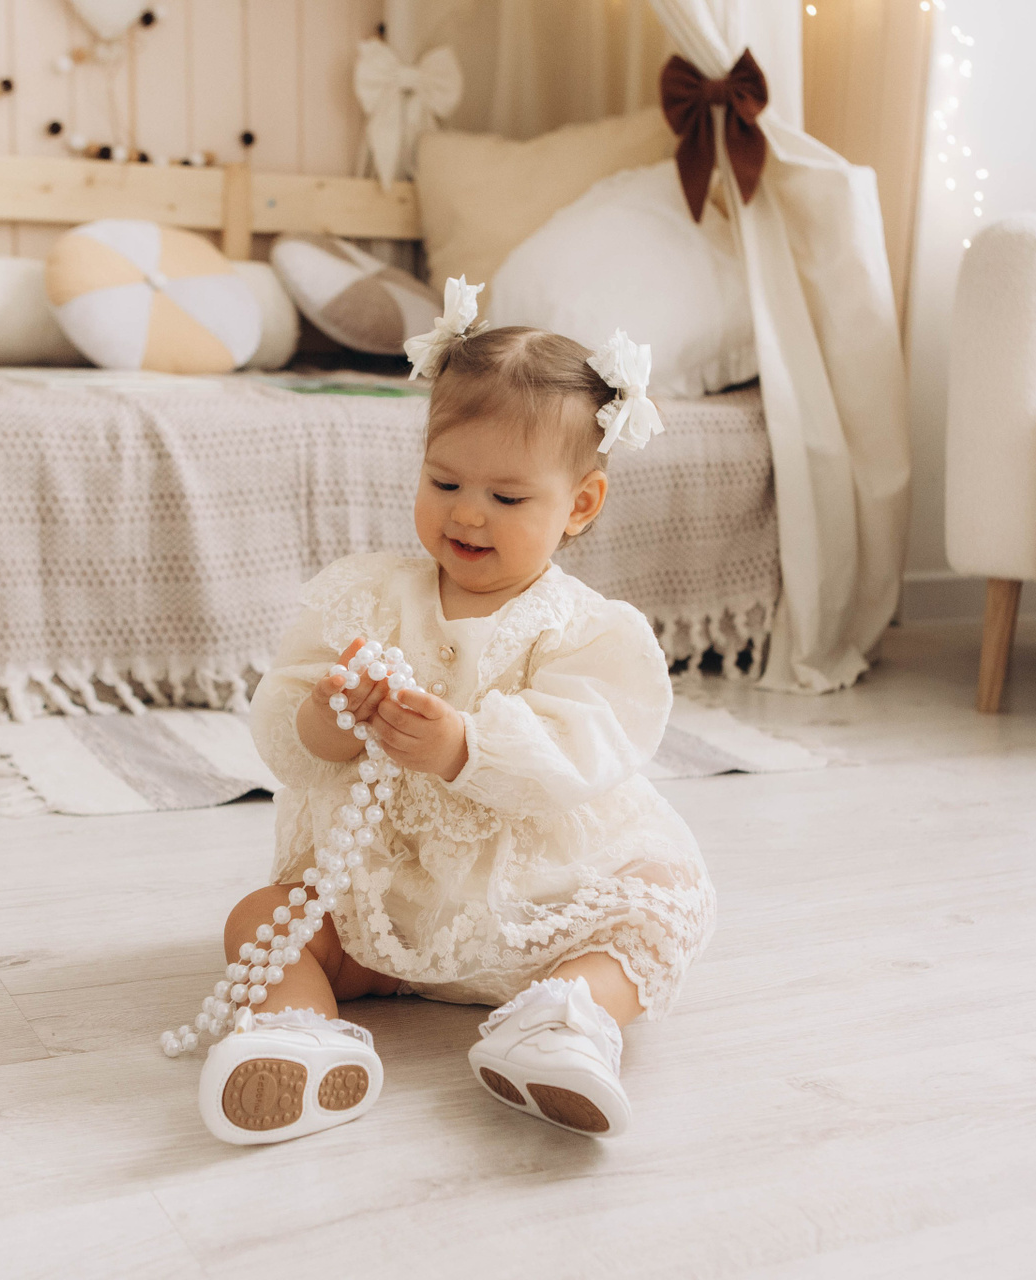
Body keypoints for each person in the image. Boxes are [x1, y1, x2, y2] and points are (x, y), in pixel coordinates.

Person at [182, 280, 714, 1143]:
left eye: (508, 498)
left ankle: (563, 1023)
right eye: (444, 480)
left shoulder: (586, 631)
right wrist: (329, 719)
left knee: (660, 906)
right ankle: (295, 1035)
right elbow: (283, 722)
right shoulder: (366, 596)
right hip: (377, 906)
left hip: (535, 908)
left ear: (580, 505)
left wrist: (465, 746)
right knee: (262, 918)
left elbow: (585, 746)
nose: (467, 512)